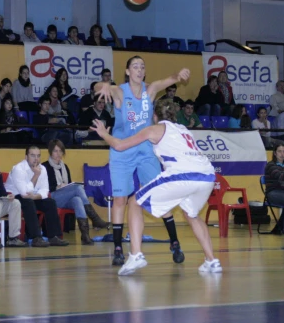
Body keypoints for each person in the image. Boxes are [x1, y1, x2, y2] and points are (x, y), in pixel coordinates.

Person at [90, 100, 222, 275]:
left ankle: (136, 255)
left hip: (183, 174)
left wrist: (104, 134)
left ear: (154, 116)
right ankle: (211, 260)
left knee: (134, 202)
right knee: (191, 214)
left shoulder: (154, 129)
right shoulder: (183, 130)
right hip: (207, 175)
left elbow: (120, 146)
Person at [94, 56, 187, 266]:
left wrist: (178, 76)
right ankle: (118, 248)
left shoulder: (151, 90)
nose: (139, 69)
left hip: (145, 150)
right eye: (135, 66)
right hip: (122, 149)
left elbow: (169, 80)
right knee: (120, 200)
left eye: (142, 66)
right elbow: (99, 86)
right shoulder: (120, 91)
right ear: (127, 71)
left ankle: (174, 242)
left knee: (158, 194)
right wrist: (105, 85)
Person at [43, 139, 107, 244]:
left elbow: (68, 184)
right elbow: (44, 187)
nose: (58, 154)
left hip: (64, 197)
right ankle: (95, 219)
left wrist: (68, 186)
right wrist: (57, 187)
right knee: (77, 188)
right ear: (50, 152)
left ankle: (85, 236)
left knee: (77, 199)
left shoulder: (65, 167)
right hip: (52, 197)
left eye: (60, 151)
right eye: (55, 151)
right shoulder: (45, 167)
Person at [5, 146, 69, 247]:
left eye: (38, 156)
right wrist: (36, 175)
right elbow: (24, 193)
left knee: (50, 202)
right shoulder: (18, 169)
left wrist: (35, 197)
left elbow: (45, 190)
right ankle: (36, 237)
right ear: (26, 157)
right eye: (32, 155)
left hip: (33, 196)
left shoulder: (42, 168)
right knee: (29, 203)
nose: (36, 159)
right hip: (14, 197)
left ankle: (53, 237)